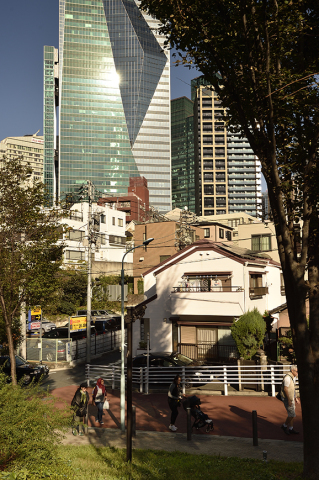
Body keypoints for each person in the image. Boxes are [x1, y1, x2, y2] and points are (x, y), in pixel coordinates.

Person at [280, 365, 300, 435]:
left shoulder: (293, 377)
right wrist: (289, 400)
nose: (298, 372)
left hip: (291, 398)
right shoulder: (287, 378)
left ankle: (291, 428)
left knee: (292, 413)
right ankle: (284, 426)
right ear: (292, 371)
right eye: (297, 371)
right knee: (292, 414)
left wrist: (295, 398)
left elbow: (293, 388)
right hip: (287, 398)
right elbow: (286, 389)